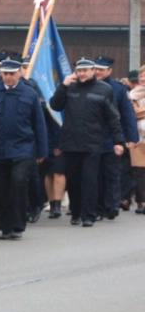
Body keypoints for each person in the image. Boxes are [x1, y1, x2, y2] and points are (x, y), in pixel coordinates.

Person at [50, 58, 125, 227]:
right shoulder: (70, 87)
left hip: (93, 142)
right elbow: (55, 106)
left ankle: (89, 215)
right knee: (74, 180)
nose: (82, 74)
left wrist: (118, 141)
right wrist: (63, 86)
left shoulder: (104, 90)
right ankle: (76, 213)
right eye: (79, 71)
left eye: (85, 70)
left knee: (90, 179)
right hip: (71, 142)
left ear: (93, 71)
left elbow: (113, 118)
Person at [0, 55, 48, 240]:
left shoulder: (29, 93)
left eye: (12, 74)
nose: (8, 77)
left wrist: (42, 150)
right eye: (5, 73)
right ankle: (5, 226)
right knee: (3, 188)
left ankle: (18, 225)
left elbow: (39, 123)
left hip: (23, 148)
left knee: (19, 183)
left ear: (19, 74)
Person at [94, 57, 139, 219]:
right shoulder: (88, 86)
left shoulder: (119, 89)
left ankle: (112, 205)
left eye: (101, 69)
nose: (98, 72)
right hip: (92, 138)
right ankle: (98, 208)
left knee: (112, 173)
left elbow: (127, 115)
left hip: (112, 138)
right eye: (96, 69)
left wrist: (131, 137)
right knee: (96, 175)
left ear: (110, 71)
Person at [130, 71, 145, 214]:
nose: (143, 78)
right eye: (141, 76)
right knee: (139, 171)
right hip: (138, 135)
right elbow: (132, 112)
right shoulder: (133, 93)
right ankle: (142, 202)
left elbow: (139, 111)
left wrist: (141, 111)